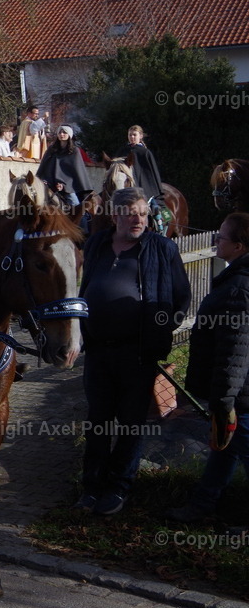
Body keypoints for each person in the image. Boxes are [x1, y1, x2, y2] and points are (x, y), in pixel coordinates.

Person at [76, 187, 191, 515]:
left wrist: (160, 328)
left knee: (130, 424)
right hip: (98, 352)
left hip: (137, 354)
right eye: (131, 214)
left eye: (142, 213)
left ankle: (118, 488)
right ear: (115, 217)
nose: (138, 220)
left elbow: (181, 298)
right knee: (97, 423)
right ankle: (91, 487)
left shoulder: (162, 248)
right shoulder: (97, 243)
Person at [165, 212, 249, 524]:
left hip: (239, 395)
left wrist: (225, 401)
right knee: (223, 450)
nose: (216, 241)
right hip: (235, 392)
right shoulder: (235, 279)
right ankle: (202, 506)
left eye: (222, 237)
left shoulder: (238, 288)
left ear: (238, 246)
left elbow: (235, 351)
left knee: (240, 447)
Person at [115, 125, 166, 231]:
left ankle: (160, 227)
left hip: (144, 185)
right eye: (130, 135)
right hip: (125, 186)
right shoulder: (122, 151)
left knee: (155, 207)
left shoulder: (145, 153)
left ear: (140, 136)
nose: (132, 137)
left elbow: (150, 173)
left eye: (134, 135)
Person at [36, 125, 91, 206]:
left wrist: (64, 185)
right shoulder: (52, 149)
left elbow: (75, 171)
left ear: (69, 135)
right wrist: (43, 180)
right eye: (60, 132)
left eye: (64, 132)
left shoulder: (74, 151)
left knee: (75, 204)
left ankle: (84, 218)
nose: (61, 134)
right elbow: (45, 166)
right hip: (50, 184)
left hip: (68, 187)